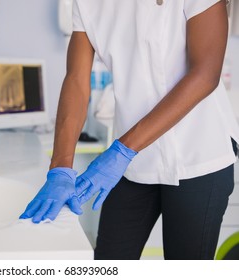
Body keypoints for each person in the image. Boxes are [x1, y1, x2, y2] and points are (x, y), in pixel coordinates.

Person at [20, 0, 239, 260]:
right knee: (110, 262)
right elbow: (77, 79)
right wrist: (60, 167)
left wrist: (121, 151)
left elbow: (205, 74)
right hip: (132, 165)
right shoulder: (86, 3)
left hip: (198, 155)